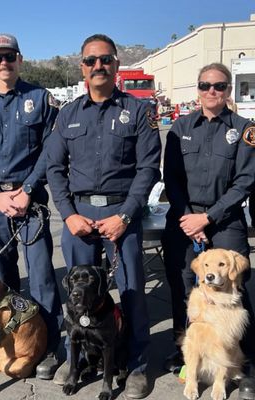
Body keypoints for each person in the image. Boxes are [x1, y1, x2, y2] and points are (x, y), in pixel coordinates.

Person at [46, 34, 161, 398]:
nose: (99, 66)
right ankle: (75, 359)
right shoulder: (68, 114)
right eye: (91, 61)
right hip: (78, 216)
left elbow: (148, 168)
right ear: (82, 66)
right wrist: (67, 215)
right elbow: (54, 168)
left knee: (130, 293)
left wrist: (125, 216)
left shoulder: (138, 112)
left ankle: (139, 365)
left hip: (120, 214)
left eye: (105, 60)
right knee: (78, 295)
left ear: (115, 65)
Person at [0, 33, 63, 380]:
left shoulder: (40, 98)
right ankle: (9, 339)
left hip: (30, 202)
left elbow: (51, 151)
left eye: (9, 56)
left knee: (41, 277)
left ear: (19, 59)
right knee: (1, 280)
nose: (3, 62)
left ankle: (49, 346)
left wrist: (28, 190)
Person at [162, 62, 255, 397]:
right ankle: (186, 351)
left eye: (219, 86)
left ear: (229, 90)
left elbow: (245, 181)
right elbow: (170, 177)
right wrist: (188, 217)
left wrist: (208, 218)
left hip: (225, 220)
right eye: (205, 86)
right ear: (197, 89)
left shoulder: (245, 129)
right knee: (184, 288)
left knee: (235, 291)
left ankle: (242, 364)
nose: (211, 92)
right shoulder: (179, 127)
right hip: (184, 220)